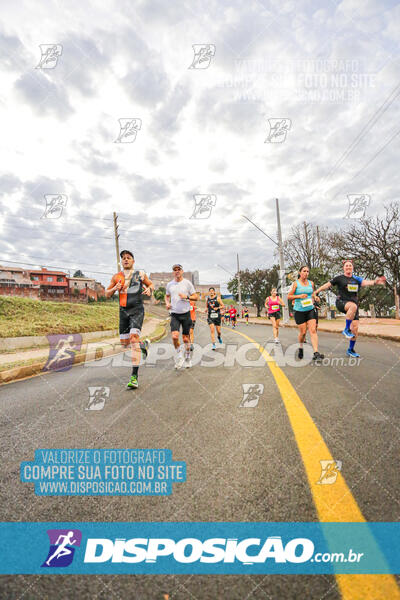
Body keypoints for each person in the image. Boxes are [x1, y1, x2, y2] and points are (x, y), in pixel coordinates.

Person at [314, 260, 386, 357]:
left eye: (350, 266)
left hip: (353, 306)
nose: (348, 267)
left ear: (352, 268)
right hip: (342, 302)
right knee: (353, 306)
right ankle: (346, 329)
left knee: (355, 330)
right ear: (343, 268)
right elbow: (327, 285)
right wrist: (316, 291)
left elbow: (365, 282)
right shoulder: (339, 278)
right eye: (346, 266)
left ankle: (350, 350)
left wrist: (375, 282)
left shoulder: (356, 279)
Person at [106, 250, 153, 389]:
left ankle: (134, 377)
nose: (126, 260)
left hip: (137, 309)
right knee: (125, 344)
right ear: (121, 262)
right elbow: (107, 294)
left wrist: (149, 289)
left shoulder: (140, 274)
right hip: (123, 312)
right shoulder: (116, 277)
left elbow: (151, 284)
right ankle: (143, 345)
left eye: (128, 258)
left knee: (133, 339)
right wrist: (115, 288)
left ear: (133, 261)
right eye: (123, 258)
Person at [288, 266, 324, 361]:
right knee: (303, 332)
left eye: (308, 271)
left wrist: (315, 297)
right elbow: (289, 296)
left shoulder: (311, 283)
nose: (306, 273)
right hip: (299, 311)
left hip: (310, 309)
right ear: (300, 272)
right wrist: (299, 296)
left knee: (313, 330)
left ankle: (316, 352)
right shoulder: (296, 284)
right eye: (304, 271)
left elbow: (312, 294)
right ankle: (301, 347)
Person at [165, 265, 198, 369]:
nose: (177, 271)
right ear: (173, 272)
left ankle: (188, 357)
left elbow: (195, 297)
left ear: (182, 271)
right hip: (174, 314)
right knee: (174, 336)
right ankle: (180, 356)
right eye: (175, 270)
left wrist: (186, 297)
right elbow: (167, 296)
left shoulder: (187, 283)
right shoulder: (170, 284)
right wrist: (167, 303)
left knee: (185, 339)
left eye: (179, 269)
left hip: (186, 314)